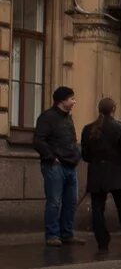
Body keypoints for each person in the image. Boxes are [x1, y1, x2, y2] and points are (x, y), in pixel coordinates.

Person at [81, 98, 121, 253]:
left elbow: (85, 155)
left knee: (97, 209)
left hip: (97, 173)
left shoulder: (88, 129)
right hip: (118, 173)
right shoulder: (119, 128)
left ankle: (102, 243)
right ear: (114, 109)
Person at [33, 86, 84, 246]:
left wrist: (76, 155)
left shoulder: (68, 118)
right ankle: (52, 235)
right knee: (54, 202)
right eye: (72, 98)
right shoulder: (47, 117)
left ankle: (67, 233)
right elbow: (38, 141)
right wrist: (51, 157)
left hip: (70, 165)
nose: (74, 101)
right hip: (55, 166)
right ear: (62, 100)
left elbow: (72, 139)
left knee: (71, 202)